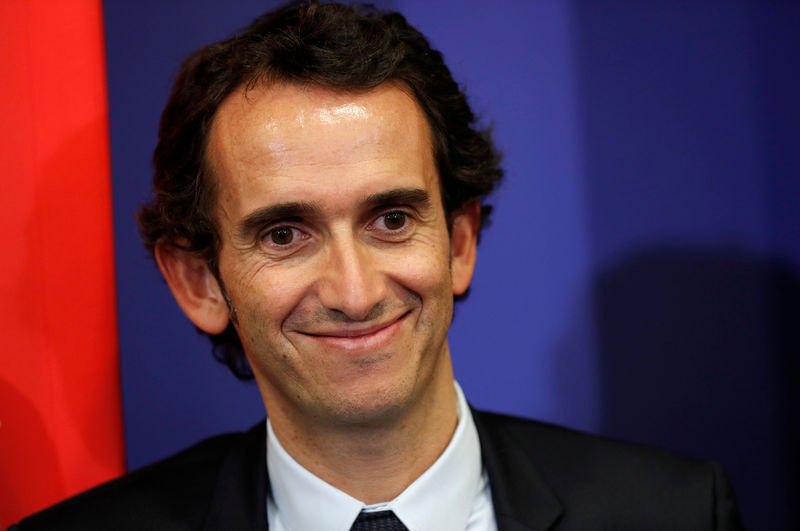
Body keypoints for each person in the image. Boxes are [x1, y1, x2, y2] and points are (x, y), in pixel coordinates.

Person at [13, 2, 745, 530]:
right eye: (285, 235)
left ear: (459, 241)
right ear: (199, 281)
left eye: (391, 220)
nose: (355, 291)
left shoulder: (675, 512)